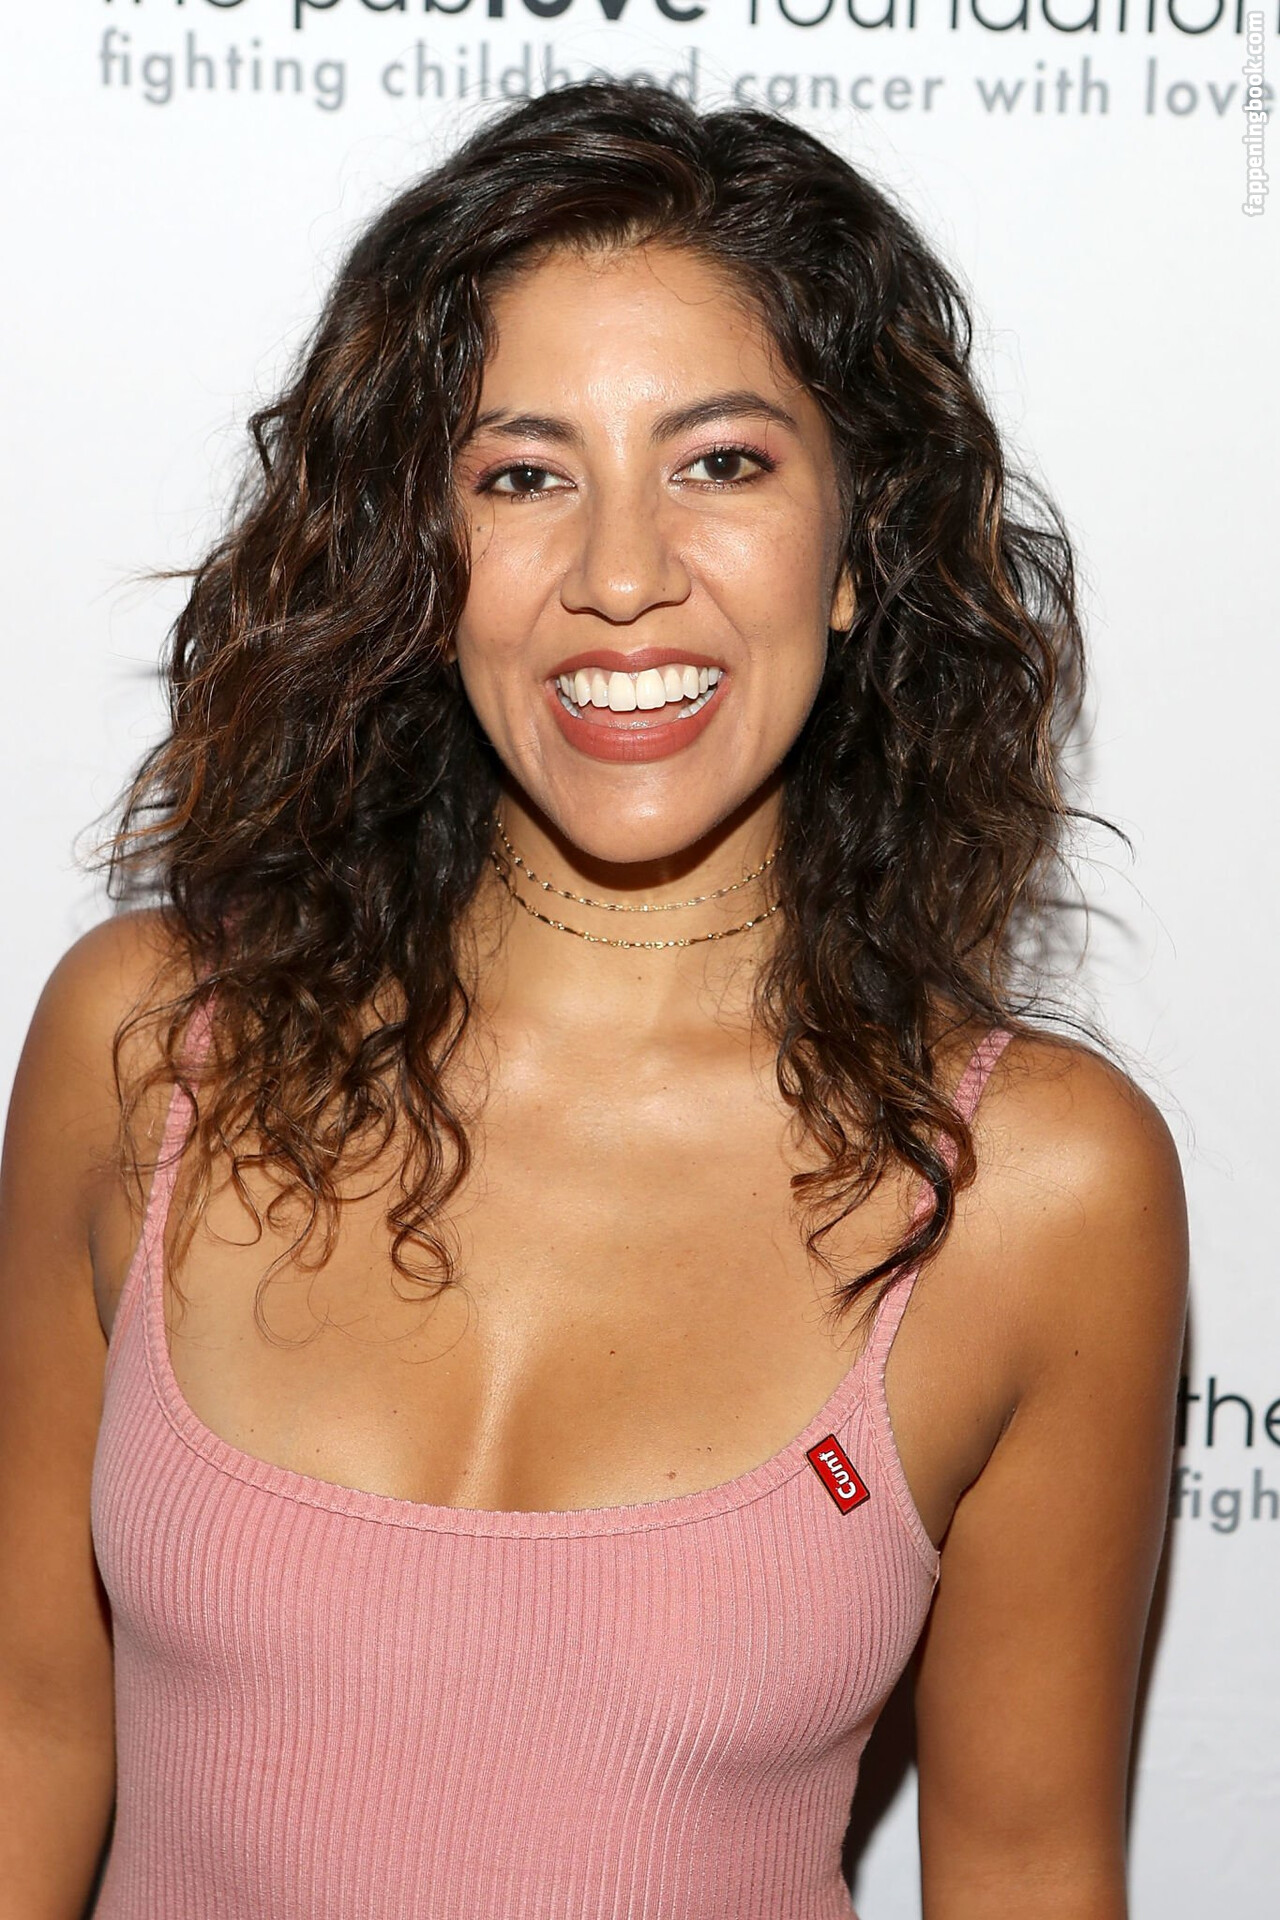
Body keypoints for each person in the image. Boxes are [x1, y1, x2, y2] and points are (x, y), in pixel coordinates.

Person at [0, 80, 1187, 1920]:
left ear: (857, 546)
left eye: (722, 465)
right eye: (523, 476)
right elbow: (25, 1728)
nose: (623, 579)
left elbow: (1029, 1869)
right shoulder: (149, 1046)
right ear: (420, 553)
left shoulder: (1031, 1187)